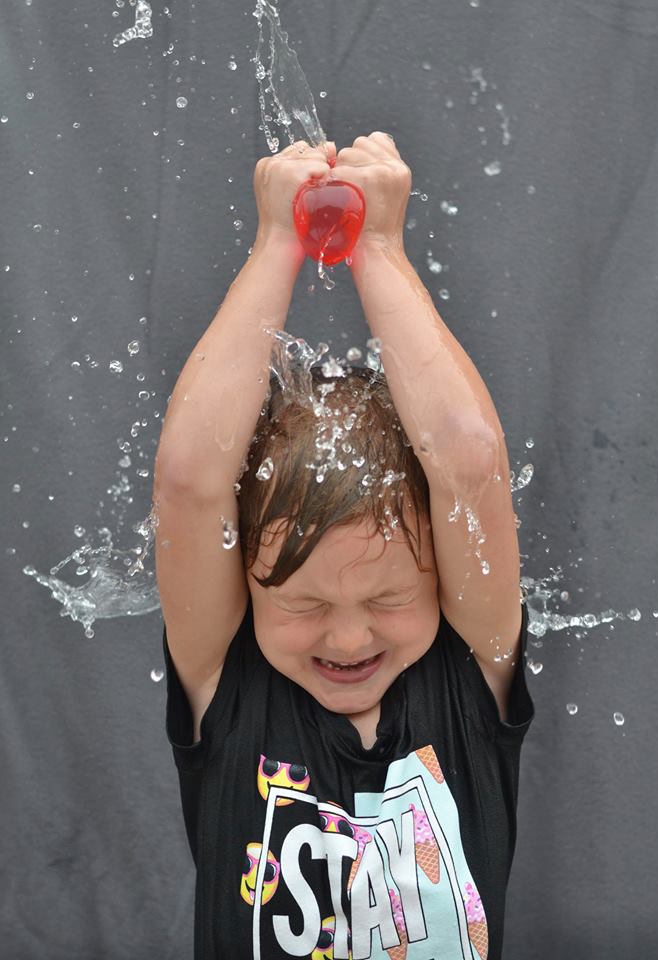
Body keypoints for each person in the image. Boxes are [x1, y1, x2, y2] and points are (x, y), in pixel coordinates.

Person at [153, 132, 534, 960]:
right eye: (304, 604)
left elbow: (469, 466)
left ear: (439, 578)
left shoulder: (467, 675)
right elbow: (188, 482)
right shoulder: (230, 686)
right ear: (247, 584)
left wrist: (381, 249)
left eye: (390, 598)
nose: (350, 636)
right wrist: (278, 242)